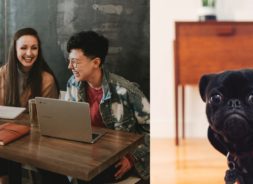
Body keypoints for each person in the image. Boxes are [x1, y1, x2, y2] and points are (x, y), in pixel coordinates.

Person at [40, 31, 150, 184]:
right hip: (84, 154)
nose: (69, 66)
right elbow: (70, 124)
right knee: (45, 166)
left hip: (114, 159)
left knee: (92, 176)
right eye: (70, 61)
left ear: (96, 63)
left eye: (75, 61)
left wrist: (132, 158)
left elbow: (155, 131)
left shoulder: (125, 91)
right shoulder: (73, 83)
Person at [0, 27, 60, 184]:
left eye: (34, 48)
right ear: (15, 50)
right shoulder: (2, 74)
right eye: (23, 48)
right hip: (6, 136)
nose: (29, 53)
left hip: (36, 141)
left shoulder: (47, 79)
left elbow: (48, 121)